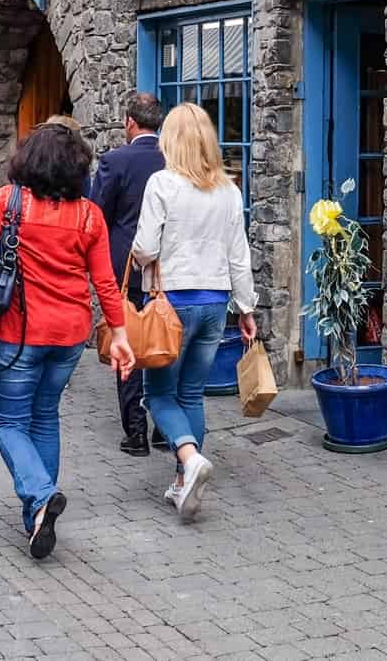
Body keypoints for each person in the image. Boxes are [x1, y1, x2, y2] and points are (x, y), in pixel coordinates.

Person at [0, 122, 134, 560]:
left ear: (28, 161)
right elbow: (106, 283)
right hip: (70, 336)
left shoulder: (9, 201)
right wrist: (119, 335)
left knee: (8, 423)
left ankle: (41, 496)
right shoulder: (89, 216)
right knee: (45, 416)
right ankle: (36, 518)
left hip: (18, 333)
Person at [132, 102, 257, 523]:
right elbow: (239, 254)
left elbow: (146, 247)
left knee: (158, 394)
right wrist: (247, 308)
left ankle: (188, 458)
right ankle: (185, 479)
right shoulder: (228, 189)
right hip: (215, 302)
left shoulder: (161, 184)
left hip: (172, 303)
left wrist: (136, 258)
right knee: (191, 394)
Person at [88, 91, 166, 456]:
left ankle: (135, 430)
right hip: (168, 269)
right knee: (163, 339)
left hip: (125, 267)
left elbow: (96, 214)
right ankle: (165, 427)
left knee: (129, 342)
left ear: (130, 122)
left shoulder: (115, 160)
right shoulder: (173, 159)